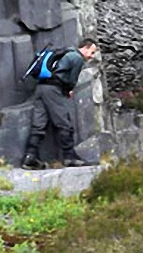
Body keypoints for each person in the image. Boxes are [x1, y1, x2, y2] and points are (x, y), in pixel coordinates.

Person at [21, 37, 98, 170]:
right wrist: (68, 90)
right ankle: (69, 157)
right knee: (64, 122)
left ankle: (30, 157)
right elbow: (71, 80)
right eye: (92, 52)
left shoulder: (65, 52)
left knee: (39, 124)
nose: (92, 56)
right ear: (85, 48)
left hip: (40, 88)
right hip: (53, 90)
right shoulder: (77, 58)